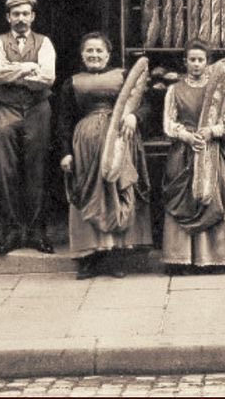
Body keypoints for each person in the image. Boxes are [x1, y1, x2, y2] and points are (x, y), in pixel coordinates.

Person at [57, 32, 152, 279]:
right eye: (89, 51)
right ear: (82, 55)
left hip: (120, 141)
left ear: (108, 54)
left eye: (99, 51)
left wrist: (135, 116)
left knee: (118, 194)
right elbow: (64, 120)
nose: (94, 55)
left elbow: (144, 102)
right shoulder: (73, 82)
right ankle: (89, 258)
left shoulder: (123, 76)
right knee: (88, 195)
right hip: (86, 147)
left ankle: (115, 257)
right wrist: (66, 153)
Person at [162, 39, 225, 274]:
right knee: (183, 200)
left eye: (201, 60)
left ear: (207, 63)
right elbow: (168, 123)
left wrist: (211, 132)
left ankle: (216, 258)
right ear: (185, 62)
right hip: (184, 152)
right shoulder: (174, 90)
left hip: (213, 152)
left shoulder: (217, 91)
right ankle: (182, 260)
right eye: (192, 60)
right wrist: (187, 136)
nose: (196, 64)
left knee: (215, 199)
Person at [0, 0, 56, 255]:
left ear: (33, 17)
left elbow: (48, 78)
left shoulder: (44, 42)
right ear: (8, 17)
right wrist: (30, 67)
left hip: (38, 110)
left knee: (37, 169)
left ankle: (37, 231)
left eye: (25, 14)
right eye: (15, 14)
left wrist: (13, 70)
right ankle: (13, 231)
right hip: (5, 109)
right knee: (6, 169)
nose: (20, 19)